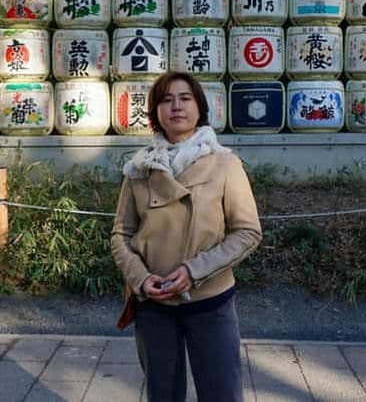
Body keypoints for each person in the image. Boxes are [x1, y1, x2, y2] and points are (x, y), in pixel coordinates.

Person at [111, 71, 262, 402]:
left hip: (210, 300)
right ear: (154, 113)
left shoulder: (225, 164)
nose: (175, 106)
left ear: (200, 108)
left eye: (184, 98)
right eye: (165, 100)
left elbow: (248, 232)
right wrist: (140, 278)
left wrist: (194, 271)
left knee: (221, 392)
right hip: (153, 302)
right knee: (162, 393)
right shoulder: (139, 168)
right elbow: (121, 234)